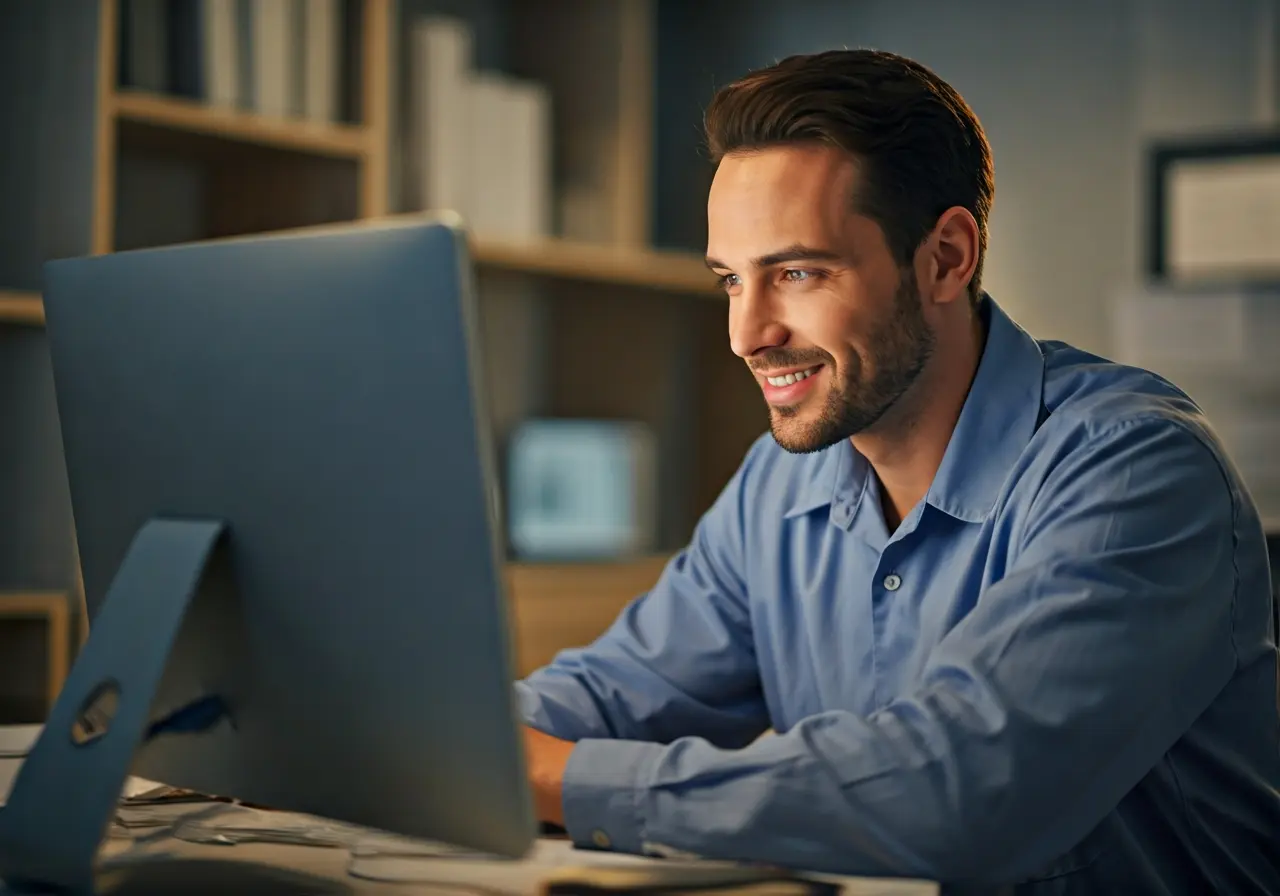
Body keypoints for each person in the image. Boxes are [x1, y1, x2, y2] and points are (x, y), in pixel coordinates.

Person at [513, 49, 1280, 893]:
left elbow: (953, 796)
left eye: (797, 272)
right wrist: (459, 742)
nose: (746, 333)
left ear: (946, 257)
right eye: (732, 280)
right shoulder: (778, 484)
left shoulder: (1134, 471)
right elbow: (619, 692)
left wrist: (557, 777)